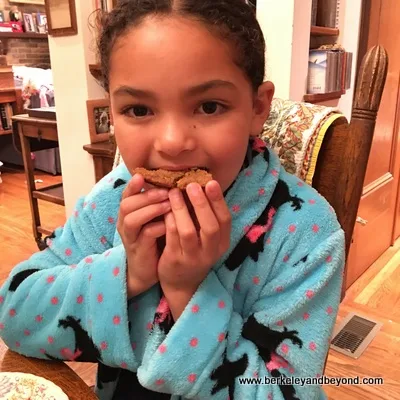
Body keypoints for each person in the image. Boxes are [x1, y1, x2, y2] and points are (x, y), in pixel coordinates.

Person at [0, 1, 345, 399]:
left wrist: (188, 288)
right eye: (139, 109)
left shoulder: (306, 234)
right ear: (112, 114)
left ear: (257, 107)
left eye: (209, 106)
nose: (172, 143)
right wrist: (129, 274)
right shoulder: (116, 198)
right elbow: (15, 313)